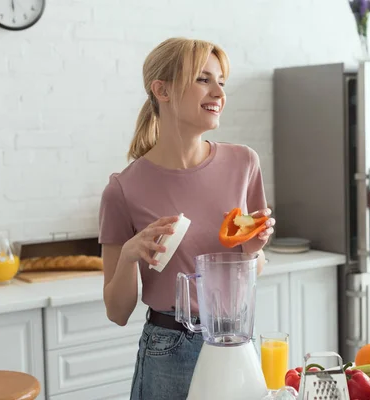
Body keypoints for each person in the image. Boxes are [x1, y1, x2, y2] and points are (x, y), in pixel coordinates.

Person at [97, 37, 275, 400]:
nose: (218, 92)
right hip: (168, 348)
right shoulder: (123, 189)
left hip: (233, 343)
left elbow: (252, 270)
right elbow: (117, 311)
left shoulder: (244, 164)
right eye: (203, 79)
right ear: (161, 90)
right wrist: (131, 254)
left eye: (221, 81)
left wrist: (252, 251)